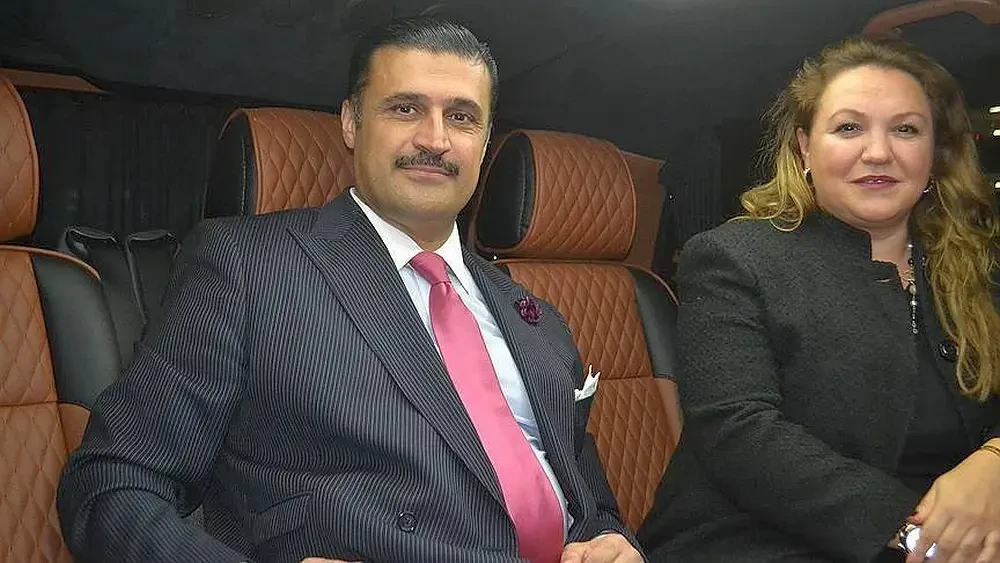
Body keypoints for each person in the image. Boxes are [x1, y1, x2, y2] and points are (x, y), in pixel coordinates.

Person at [57, 16, 642, 563]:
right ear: (350, 123)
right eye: (406, 108)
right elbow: (110, 485)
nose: (435, 139)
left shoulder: (535, 316)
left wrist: (615, 542)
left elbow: (589, 502)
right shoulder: (248, 268)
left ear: (485, 143)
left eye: (462, 117)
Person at [637, 35, 1000, 563]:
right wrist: (921, 536)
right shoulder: (732, 258)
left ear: (934, 152)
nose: (878, 152)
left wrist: (994, 462)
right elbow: (738, 431)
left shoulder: (975, 264)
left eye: (906, 129)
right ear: (805, 148)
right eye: (849, 127)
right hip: (756, 540)